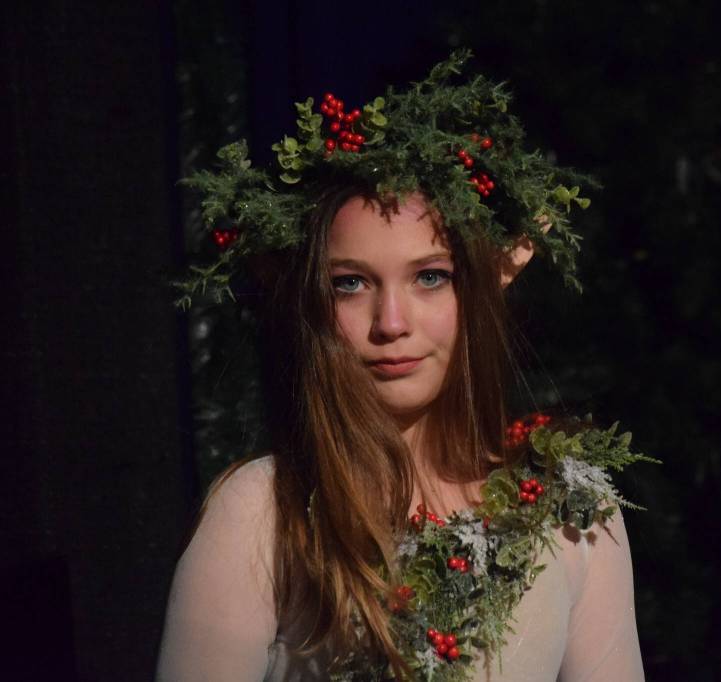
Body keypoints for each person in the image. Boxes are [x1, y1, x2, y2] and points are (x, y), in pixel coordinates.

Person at [157, 51, 649, 681]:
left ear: (479, 286)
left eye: (430, 277)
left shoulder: (568, 508)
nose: (391, 323)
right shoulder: (264, 512)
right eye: (350, 284)